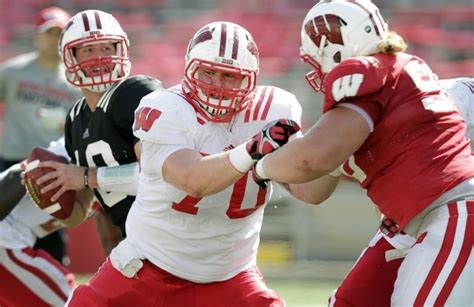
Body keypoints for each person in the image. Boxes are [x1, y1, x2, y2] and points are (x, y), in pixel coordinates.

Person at [253, 1, 474, 306]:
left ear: (334, 47)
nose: (316, 70)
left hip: (451, 212)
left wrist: (256, 162)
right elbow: (311, 187)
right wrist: (277, 160)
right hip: (415, 221)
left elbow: (310, 159)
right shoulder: (375, 105)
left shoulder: (366, 74)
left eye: (316, 59)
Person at [66, 21, 301, 306]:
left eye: (230, 76)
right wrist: (252, 151)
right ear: (190, 69)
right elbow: (193, 179)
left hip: (230, 274)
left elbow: (314, 192)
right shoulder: (166, 107)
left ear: (251, 80)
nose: (217, 86)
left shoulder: (272, 111)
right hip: (149, 266)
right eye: (208, 72)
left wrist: (318, 150)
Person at [327, 77, 474, 307]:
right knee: (350, 301)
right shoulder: (455, 93)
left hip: (457, 213)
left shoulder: (457, 94)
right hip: (413, 220)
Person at [33, 9, 164, 249]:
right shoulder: (75, 119)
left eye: (106, 48)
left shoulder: (136, 93)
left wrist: (84, 176)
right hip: (137, 242)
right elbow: (79, 212)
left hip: (169, 233)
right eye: (88, 50)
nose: (100, 58)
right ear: (71, 58)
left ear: (120, 50)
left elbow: (158, 177)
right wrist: (51, 197)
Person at [0, 5, 81, 267]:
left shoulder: (77, 83)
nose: (54, 40)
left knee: (49, 236)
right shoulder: (12, 72)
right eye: (49, 33)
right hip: (11, 161)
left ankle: (55, 285)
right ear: (37, 35)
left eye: (60, 34)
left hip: (52, 166)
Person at [0, 138, 93, 306]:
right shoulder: (82, 139)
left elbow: (111, 239)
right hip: (7, 239)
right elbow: (21, 172)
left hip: (16, 241)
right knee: (73, 302)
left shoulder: (121, 170)